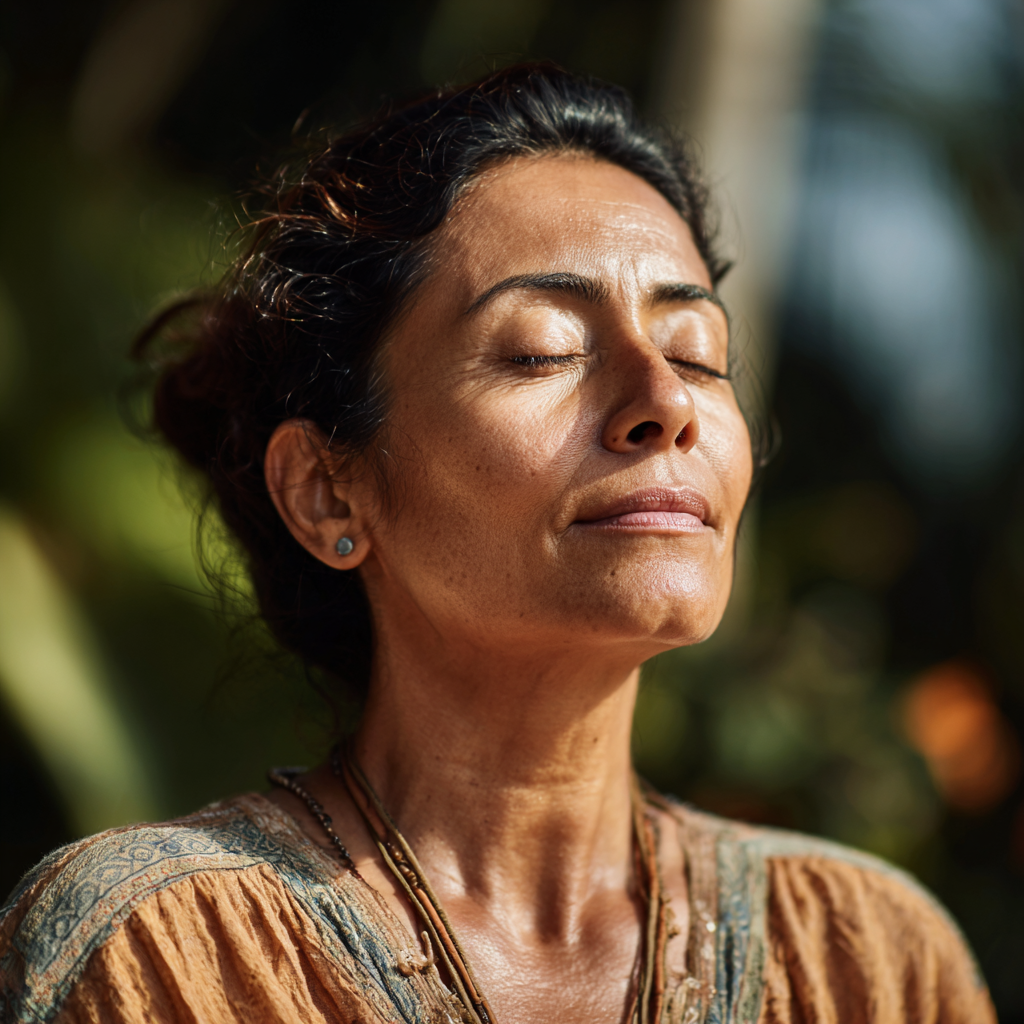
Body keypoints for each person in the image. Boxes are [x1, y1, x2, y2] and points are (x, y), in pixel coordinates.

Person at [0, 63, 994, 1024]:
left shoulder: (865, 956)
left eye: (698, 353)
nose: (663, 404)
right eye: (541, 350)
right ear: (325, 489)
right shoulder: (169, 955)